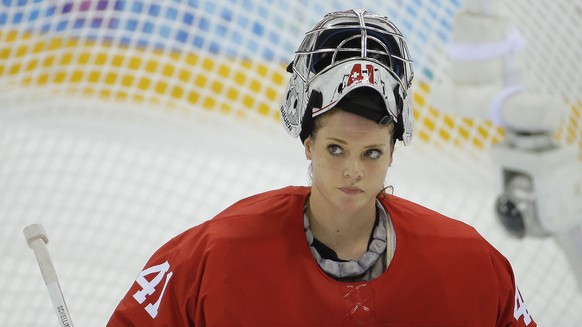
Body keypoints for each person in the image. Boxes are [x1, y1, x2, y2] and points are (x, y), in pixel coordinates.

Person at [107, 9, 536, 326]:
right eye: (336, 149)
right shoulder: (217, 253)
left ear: (392, 153)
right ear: (308, 145)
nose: (353, 170)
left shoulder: (470, 263)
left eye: (371, 153)